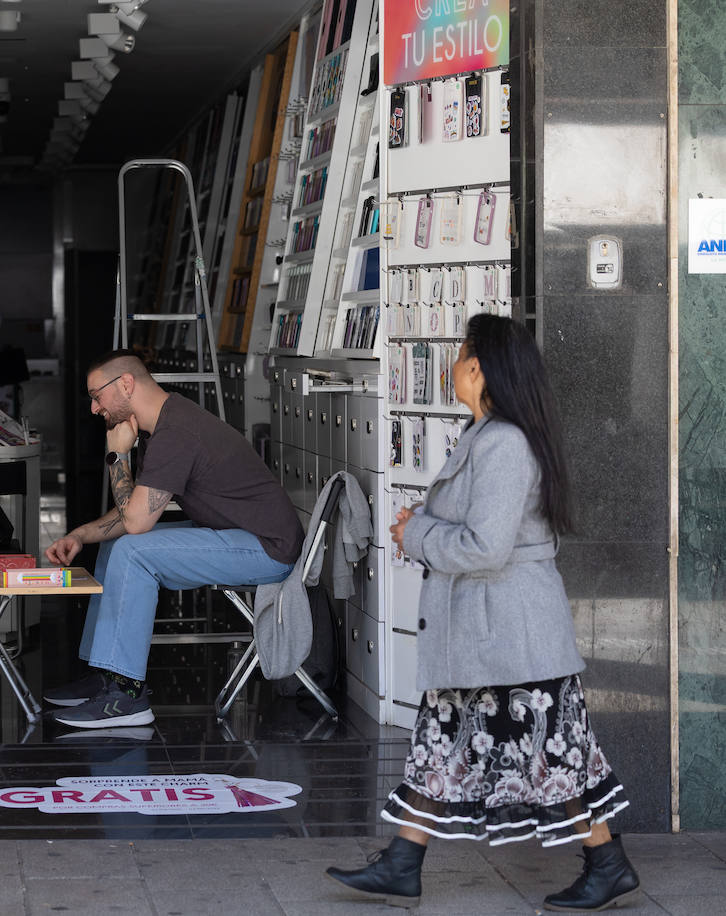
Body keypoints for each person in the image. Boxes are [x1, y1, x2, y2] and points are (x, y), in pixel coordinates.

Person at [326, 315, 639, 912]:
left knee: (552, 759)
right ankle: (402, 862)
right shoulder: (488, 435)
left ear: (479, 367)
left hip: (510, 641)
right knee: (444, 748)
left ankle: (608, 862)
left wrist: (415, 534)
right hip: (484, 638)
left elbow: (485, 548)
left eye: (460, 353)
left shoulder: (504, 444)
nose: (452, 366)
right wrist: (421, 528)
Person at [42, 350, 304, 728]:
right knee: (116, 546)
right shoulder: (165, 425)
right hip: (233, 537)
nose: (94, 408)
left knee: (132, 551)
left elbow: (136, 523)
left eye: (97, 395)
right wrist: (82, 535)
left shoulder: (176, 433)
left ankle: (126, 697)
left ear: (126, 384)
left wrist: (117, 457)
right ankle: (107, 674)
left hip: (265, 548)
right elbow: (137, 510)